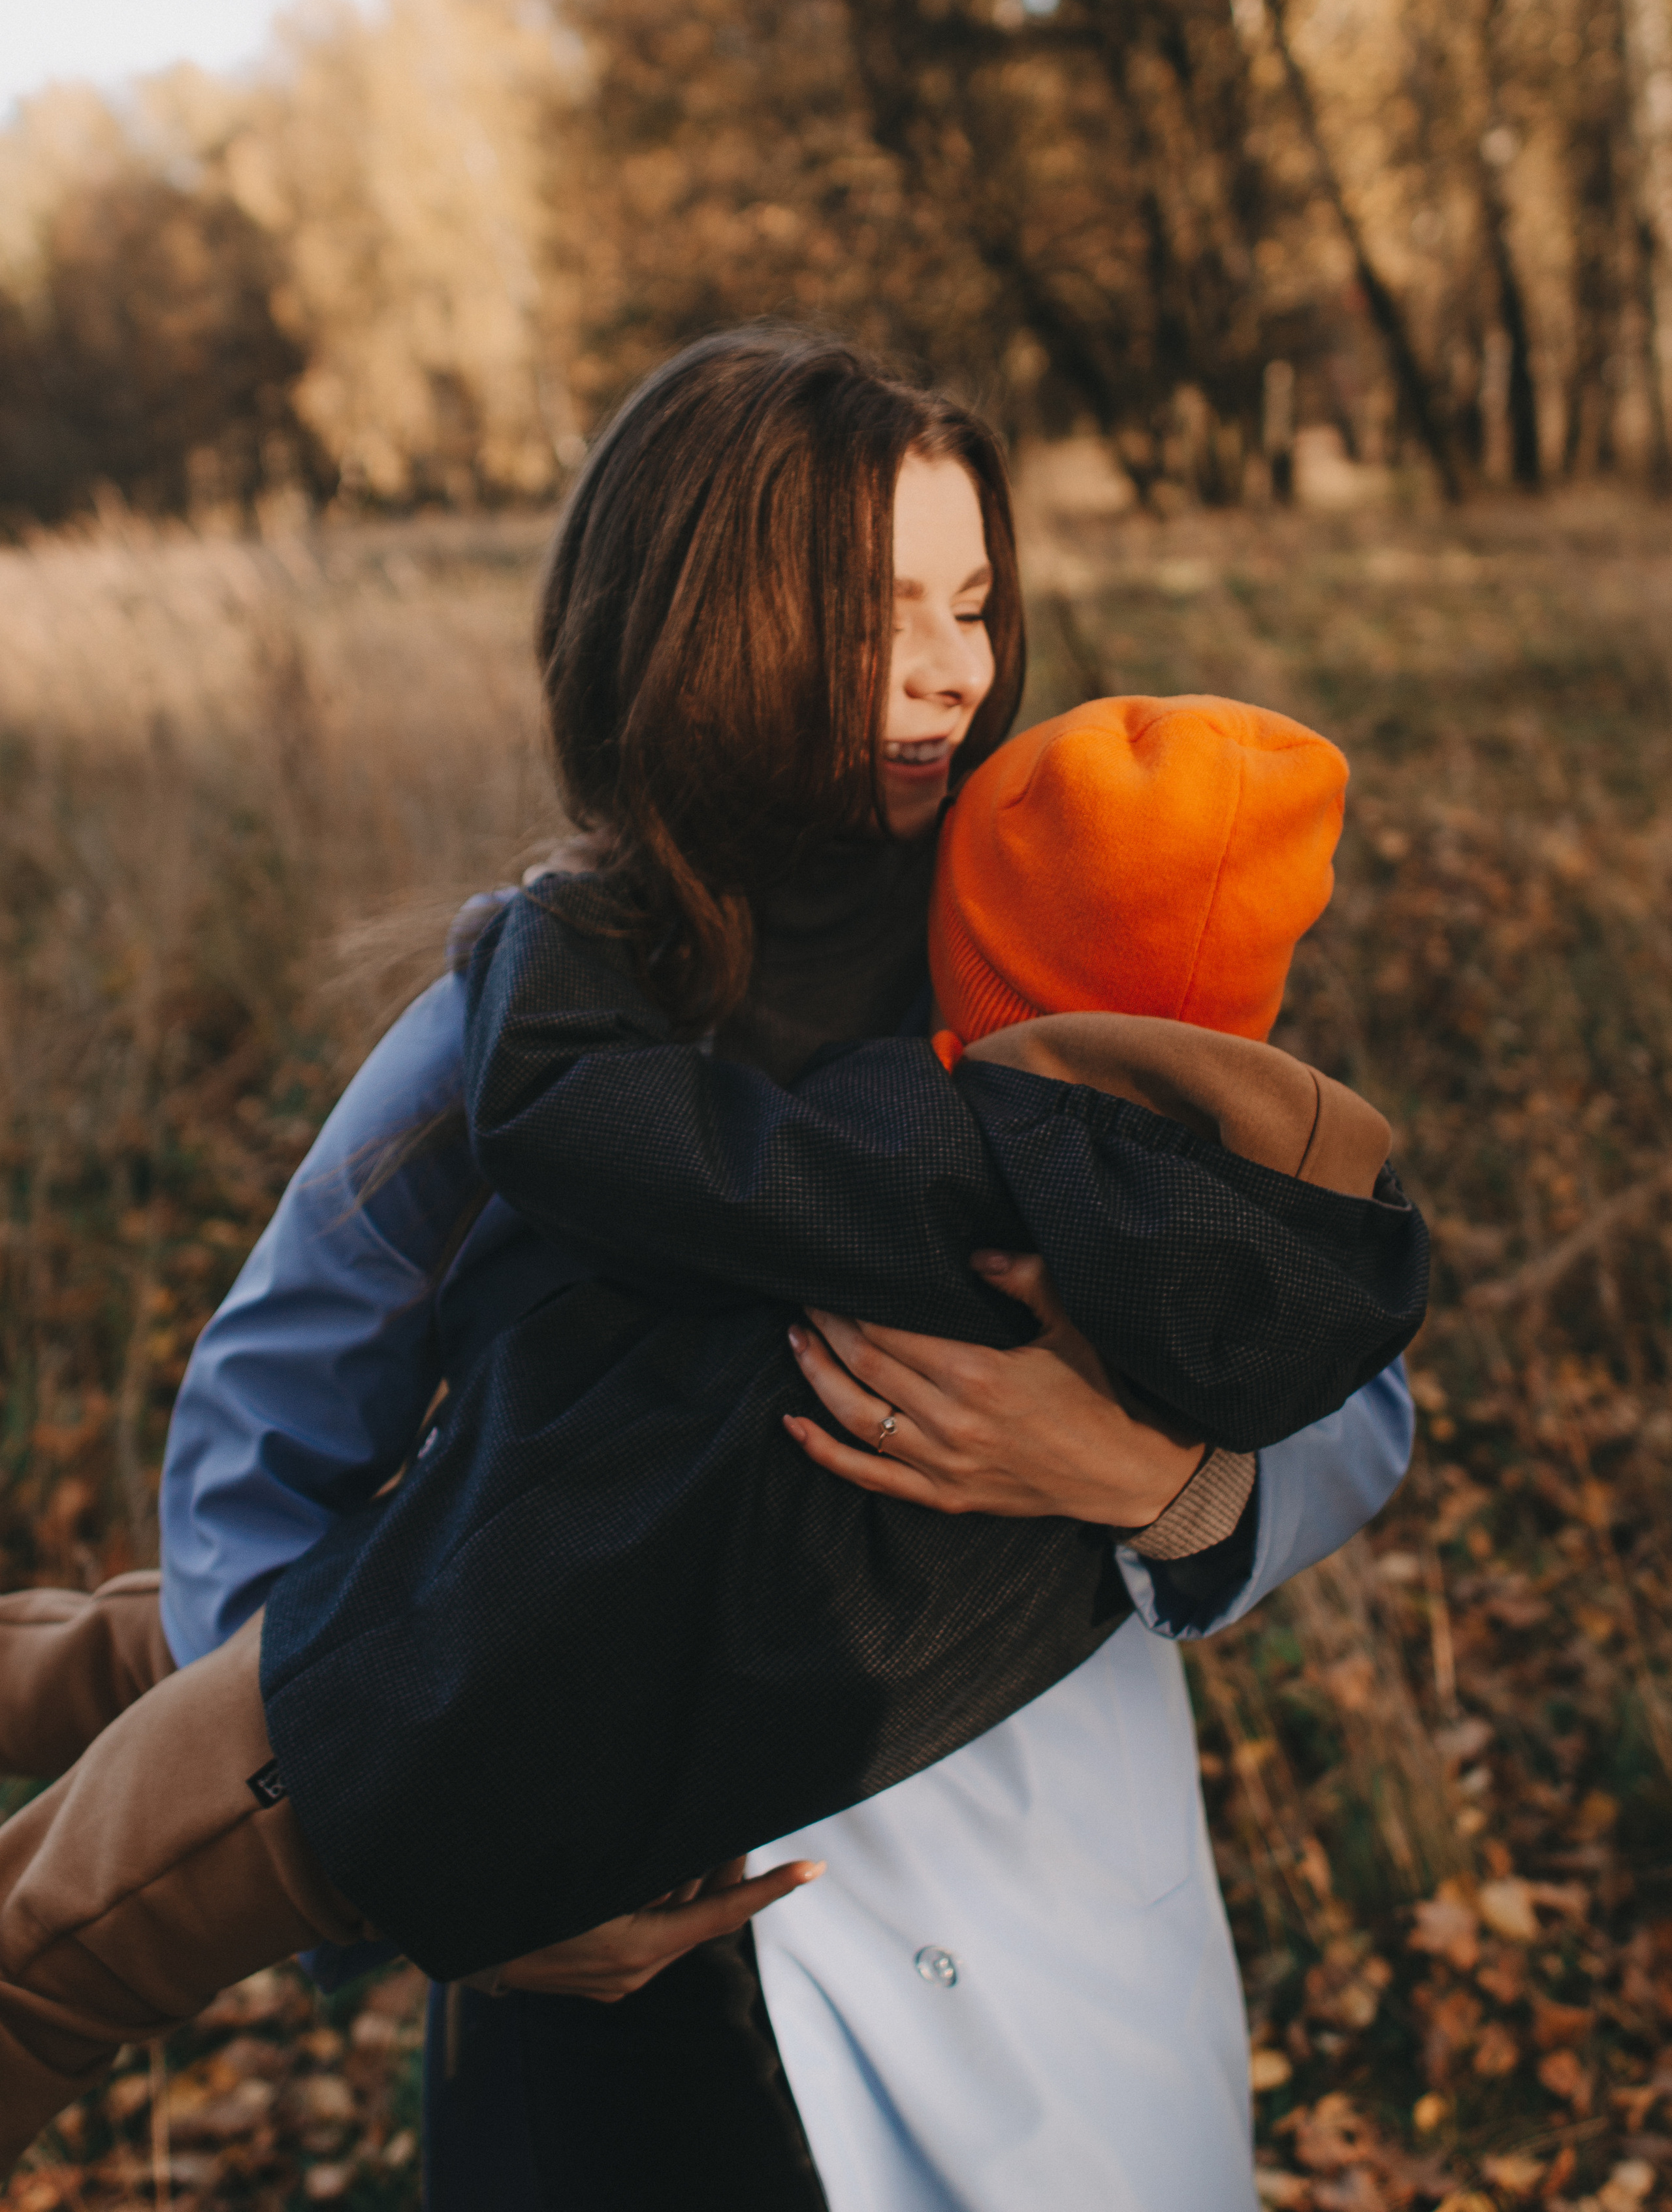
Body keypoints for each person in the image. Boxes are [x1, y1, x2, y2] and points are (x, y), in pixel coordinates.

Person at [0, 332, 1415, 2207]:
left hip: (1041, 1972)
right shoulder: (531, 1019)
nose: (948, 668)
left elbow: (1353, 1398)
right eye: (876, 609)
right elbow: (271, 1417)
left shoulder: (1067, 961)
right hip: (615, 1988)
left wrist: (1154, 1483)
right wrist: (437, 1866)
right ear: (699, 624)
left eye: (975, 603)